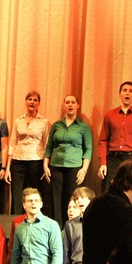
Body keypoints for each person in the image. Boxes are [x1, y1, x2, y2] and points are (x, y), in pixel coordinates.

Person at [44, 95, 93, 226]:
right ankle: (57, 228)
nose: (70, 105)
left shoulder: (83, 127)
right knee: (55, 200)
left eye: (73, 102)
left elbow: (88, 149)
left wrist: (84, 169)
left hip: (74, 167)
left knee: (71, 198)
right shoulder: (56, 125)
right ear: (63, 106)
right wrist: (45, 165)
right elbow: (49, 146)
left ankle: (70, 227)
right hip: (55, 166)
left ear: (77, 105)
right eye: (67, 102)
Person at [97, 82, 132, 192]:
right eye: (124, 90)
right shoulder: (110, 115)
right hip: (113, 158)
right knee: (108, 190)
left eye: (130, 91)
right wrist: (103, 163)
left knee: (131, 191)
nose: (127, 93)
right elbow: (103, 140)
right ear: (119, 94)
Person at [5, 91, 50, 215]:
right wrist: (8, 168)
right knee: (17, 195)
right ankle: (16, 221)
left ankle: (33, 220)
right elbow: (12, 144)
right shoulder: (18, 121)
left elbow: (46, 145)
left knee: (33, 194)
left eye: (35, 100)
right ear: (26, 102)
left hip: (36, 161)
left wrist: (45, 165)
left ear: (39, 103)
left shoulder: (44, 122)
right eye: (30, 99)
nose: (32, 102)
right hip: (18, 161)